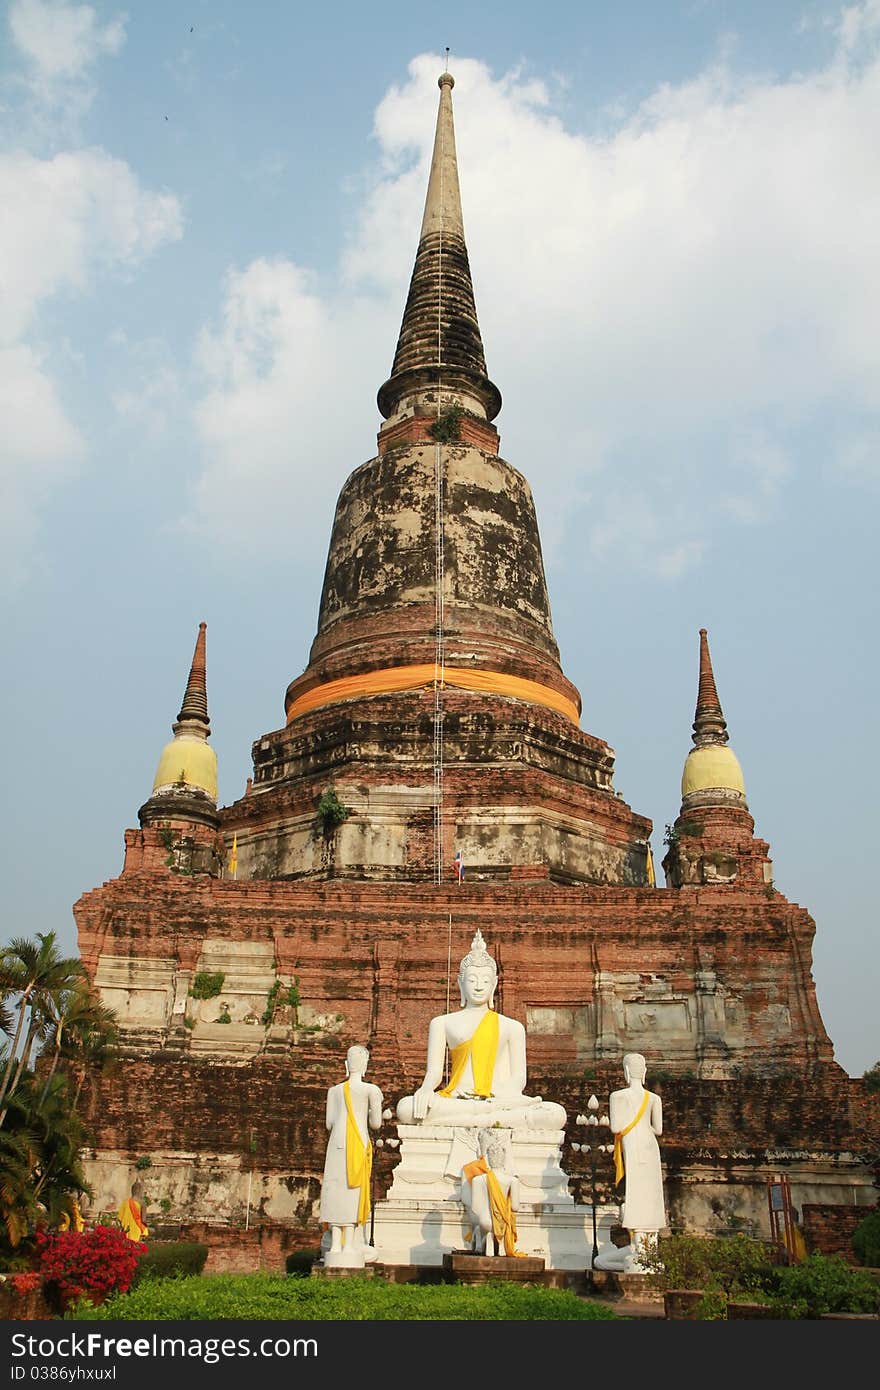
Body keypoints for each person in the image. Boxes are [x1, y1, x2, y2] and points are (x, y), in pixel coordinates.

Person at [395, 929, 565, 1129]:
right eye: (472, 980)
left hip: (498, 1100)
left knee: (555, 1114)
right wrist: (424, 1091)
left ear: (494, 984)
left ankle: (471, 1120)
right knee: (406, 1108)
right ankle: (483, 1120)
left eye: (485, 981)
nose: (478, 987)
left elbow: (518, 1079)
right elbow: (434, 1073)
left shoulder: (512, 1027)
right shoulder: (442, 1023)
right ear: (460, 983)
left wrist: (495, 1097)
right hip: (457, 1099)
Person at [595, 1053, 665, 1272]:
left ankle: (639, 1248)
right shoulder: (654, 1098)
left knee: (636, 1193)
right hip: (650, 1144)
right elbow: (659, 1130)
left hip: (632, 1143)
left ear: (625, 1072)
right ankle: (650, 1249)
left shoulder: (618, 1096)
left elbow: (616, 1128)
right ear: (644, 1072)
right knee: (651, 1193)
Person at [319, 1044, 383, 1262]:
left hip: (336, 1143)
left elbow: (329, 1123)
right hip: (358, 1142)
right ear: (365, 1065)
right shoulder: (371, 1090)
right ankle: (349, 1246)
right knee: (353, 1191)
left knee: (336, 1189)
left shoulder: (334, 1091)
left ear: (346, 1065)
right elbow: (375, 1124)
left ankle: (335, 1245)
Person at [460, 1128, 525, 1257]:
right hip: (503, 1222)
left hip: (483, 1221)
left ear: (489, 1158)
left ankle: (482, 1237)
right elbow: (515, 1207)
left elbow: (475, 1208)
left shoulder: (478, 1180)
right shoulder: (512, 1180)